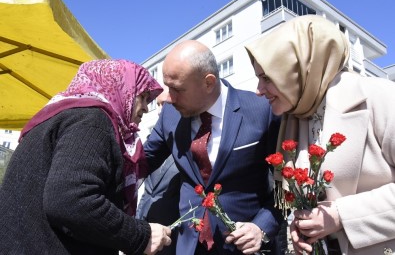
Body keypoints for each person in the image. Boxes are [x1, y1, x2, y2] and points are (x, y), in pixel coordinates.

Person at [245, 15, 395, 255]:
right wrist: (303, 225)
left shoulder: (380, 97)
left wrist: (341, 217)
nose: (259, 91)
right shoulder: (298, 116)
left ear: (301, 70)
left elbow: (335, 213)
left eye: (266, 78)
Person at [0, 59, 172, 255]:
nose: (146, 108)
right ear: (120, 89)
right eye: (142, 96)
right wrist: (141, 235)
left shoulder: (62, 118)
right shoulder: (92, 120)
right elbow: (71, 200)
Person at [144, 40, 283, 255]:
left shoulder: (262, 111)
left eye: (177, 89)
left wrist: (262, 227)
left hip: (243, 247)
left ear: (208, 82)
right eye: (168, 87)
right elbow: (140, 163)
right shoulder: (170, 115)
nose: (169, 97)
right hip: (188, 246)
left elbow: (288, 186)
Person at [137, 87, 181, 255]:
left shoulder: (184, 148)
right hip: (145, 230)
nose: (162, 110)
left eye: (167, 104)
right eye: (160, 105)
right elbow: (147, 191)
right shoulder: (151, 145)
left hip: (170, 236)